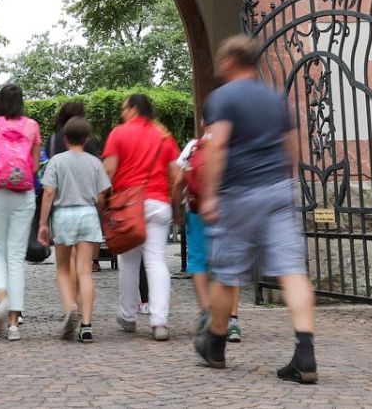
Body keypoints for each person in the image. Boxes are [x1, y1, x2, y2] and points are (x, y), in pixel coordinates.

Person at [196, 36, 317, 384]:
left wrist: (210, 195)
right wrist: (286, 182)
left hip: (239, 192)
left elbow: (217, 147)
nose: (219, 67)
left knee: (228, 271)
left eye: (221, 59)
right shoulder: (275, 97)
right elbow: (291, 146)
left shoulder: (223, 98)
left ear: (233, 60)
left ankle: (215, 344)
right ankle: (305, 353)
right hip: (279, 189)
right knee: (293, 270)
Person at [101, 92, 181, 340]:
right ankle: (159, 321)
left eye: (125, 108)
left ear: (134, 109)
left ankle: (128, 315)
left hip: (129, 204)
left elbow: (109, 170)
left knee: (128, 261)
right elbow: (178, 174)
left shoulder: (119, 133)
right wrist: (176, 206)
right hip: (158, 202)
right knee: (156, 260)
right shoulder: (163, 135)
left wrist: (104, 200)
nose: (123, 113)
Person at [0, 84, 41, 340]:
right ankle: (14, 324)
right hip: (24, 194)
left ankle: (0, 296)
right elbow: (35, 167)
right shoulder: (32, 126)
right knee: (16, 256)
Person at [37, 117, 110, 343]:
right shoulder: (94, 162)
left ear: (65, 139)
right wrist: (98, 215)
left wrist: (42, 224)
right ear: (87, 139)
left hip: (64, 215)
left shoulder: (57, 161)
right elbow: (101, 196)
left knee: (62, 269)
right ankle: (86, 325)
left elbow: (49, 193)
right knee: (85, 271)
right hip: (87, 213)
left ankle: (70, 307)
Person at [172, 127, 229, 341]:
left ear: (204, 123)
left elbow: (178, 181)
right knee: (228, 264)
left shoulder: (193, 147)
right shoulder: (231, 144)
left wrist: (176, 210)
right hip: (227, 210)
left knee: (197, 262)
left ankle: (206, 310)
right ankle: (232, 320)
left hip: (197, 210)